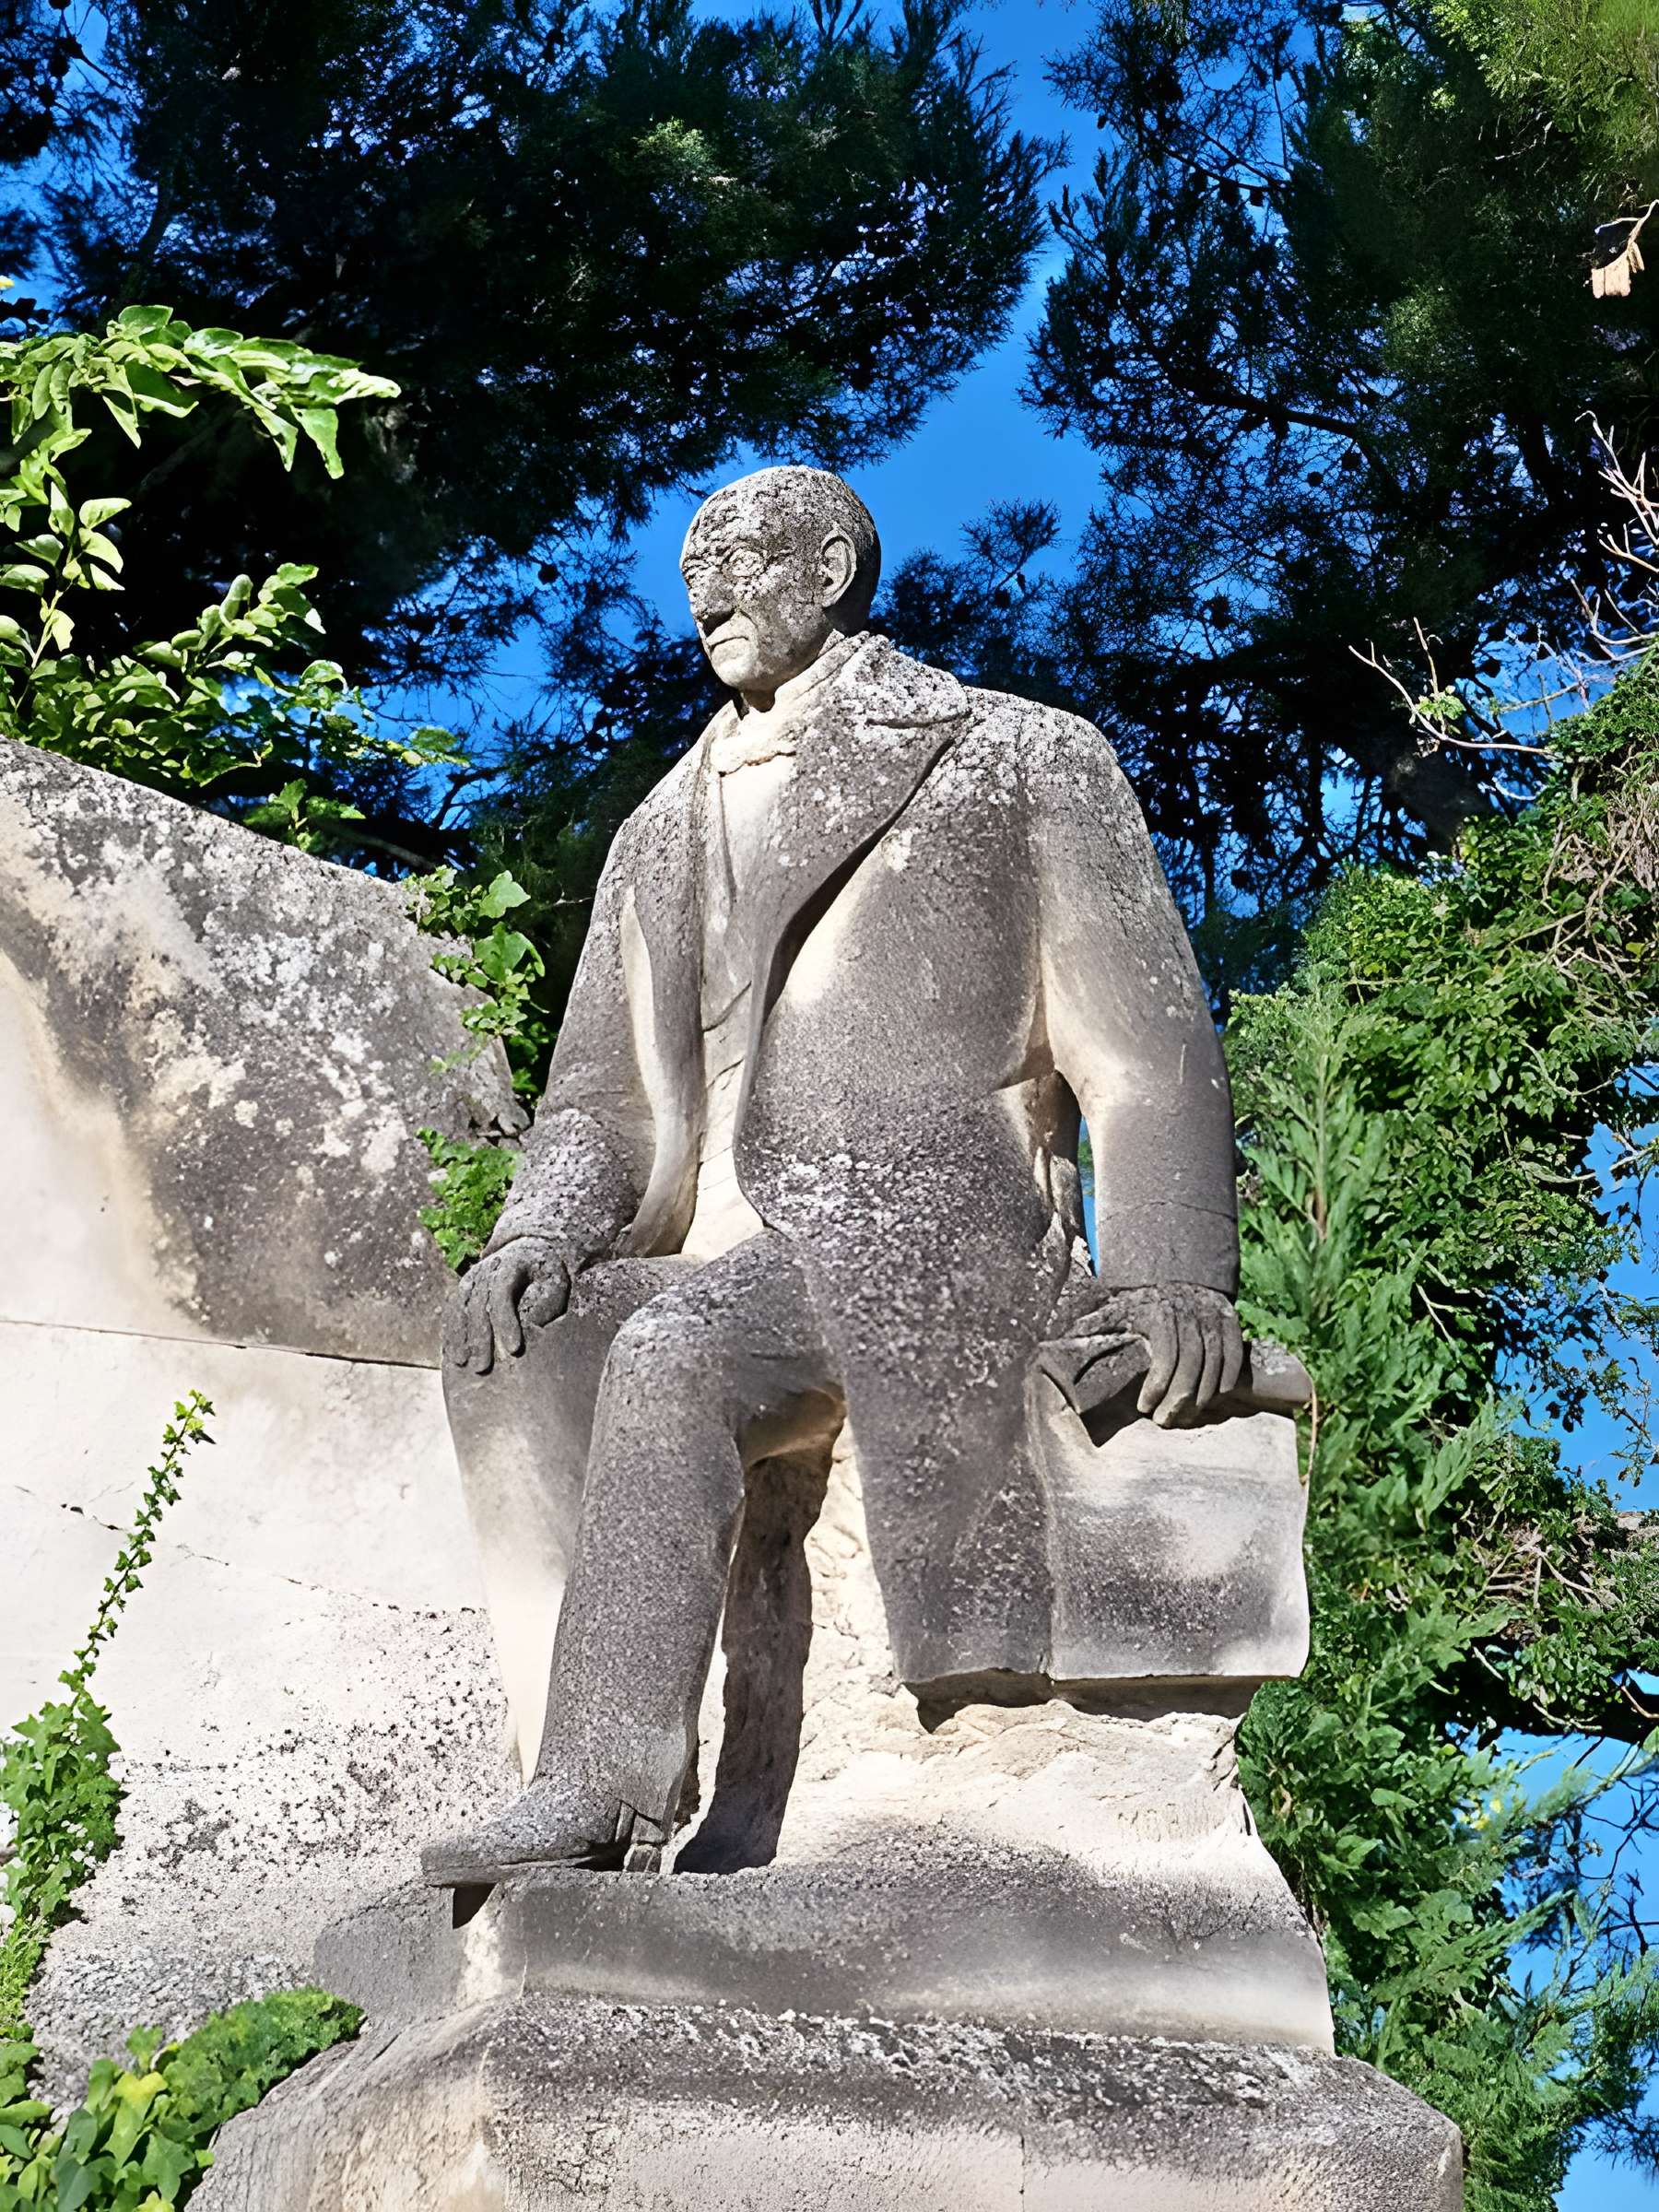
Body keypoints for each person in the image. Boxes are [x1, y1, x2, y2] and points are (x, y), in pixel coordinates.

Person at [423, 465, 1241, 1885]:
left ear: (834, 573)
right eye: (693, 563)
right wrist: (540, 1229)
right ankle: (547, 1741)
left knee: (677, 1348)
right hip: (724, 1239)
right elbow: (603, 1097)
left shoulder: (1011, 751)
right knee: (515, 1340)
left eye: (742, 554)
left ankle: (603, 1796)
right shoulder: (656, 830)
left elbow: (1148, 1050)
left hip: (931, 1227)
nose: (708, 584)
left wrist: (1176, 1277)